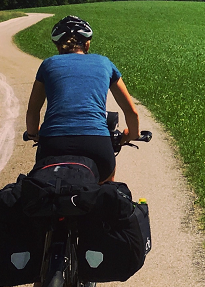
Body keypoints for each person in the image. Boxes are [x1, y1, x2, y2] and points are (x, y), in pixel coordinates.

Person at [25, 15, 139, 183]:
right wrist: (132, 134)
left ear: (58, 46)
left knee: (46, 190)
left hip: (53, 143)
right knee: (106, 191)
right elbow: (131, 111)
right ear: (87, 44)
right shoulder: (104, 62)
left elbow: (33, 111)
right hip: (96, 143)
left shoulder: (48, 64)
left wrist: (34, 133)